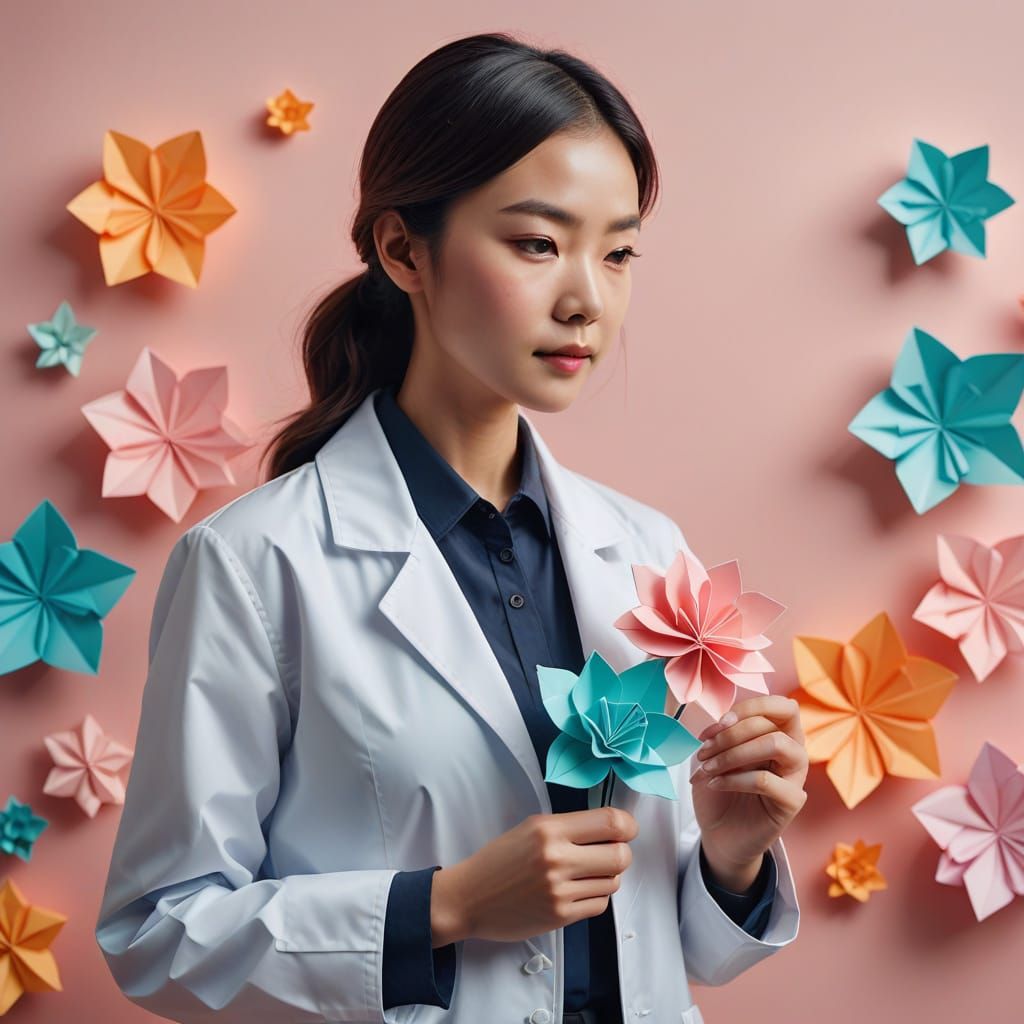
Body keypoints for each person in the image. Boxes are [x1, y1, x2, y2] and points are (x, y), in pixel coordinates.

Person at [96, 30, 807, 1024]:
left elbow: (669, 947)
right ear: (402, 251)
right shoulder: (255, 563)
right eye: (536, 242)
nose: (586, 300)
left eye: (618, 252)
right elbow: (159, 935)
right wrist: (444, 906)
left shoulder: (646, 549)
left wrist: (730, 850)